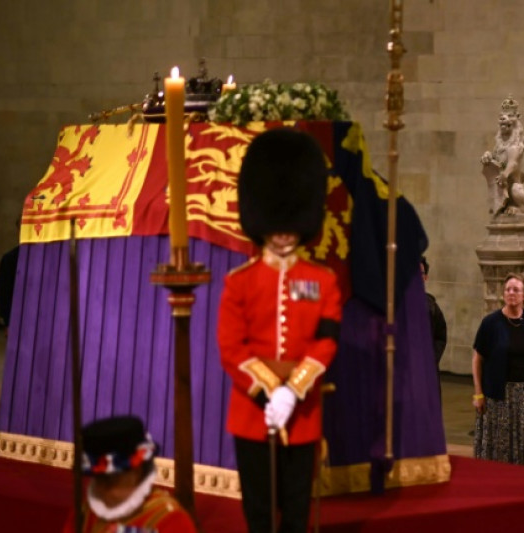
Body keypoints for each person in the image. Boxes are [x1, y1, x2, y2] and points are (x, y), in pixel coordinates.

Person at [218, 128, 342, 533]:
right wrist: (270, 388)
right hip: (252, 412)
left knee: (295, 510)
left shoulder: (322, 281)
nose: (285, 231)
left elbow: (326, 341)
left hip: (302, 412)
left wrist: (293, 390)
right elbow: (230, 347)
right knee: (258, 509)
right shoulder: (240, 281)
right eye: (276, 223)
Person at [62, 415, 196, 532]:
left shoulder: (170, 520)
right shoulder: (84, 514)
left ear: (137, 472)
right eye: (97, 478)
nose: (102, 488)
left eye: (110, 479)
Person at [471, 273, 524, 465]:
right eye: (508, 289)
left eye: (516, 290)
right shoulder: (490, 323)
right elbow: (477, 359)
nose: (511, 293)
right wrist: (479, 394)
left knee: (523, 445)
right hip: (497, 396)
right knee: (499, 446)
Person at [420, 256, 447, 368]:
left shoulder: (432, 307)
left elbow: (440, 337)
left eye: (420, 273)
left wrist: (431, 360)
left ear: (425, 277)